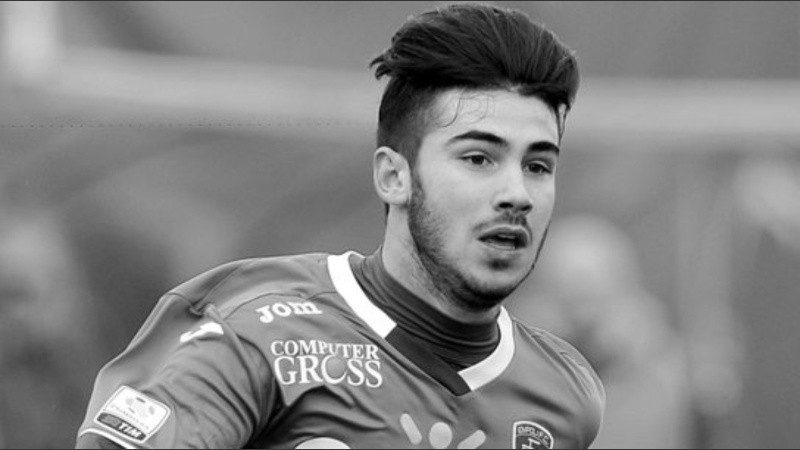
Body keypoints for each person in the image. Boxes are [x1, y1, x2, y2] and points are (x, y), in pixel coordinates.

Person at [76, 3, 605, 449]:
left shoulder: (565, 393)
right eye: (478, 158)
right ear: (394, 177)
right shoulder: (256, 332)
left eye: (538, 166)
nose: (517, 193)